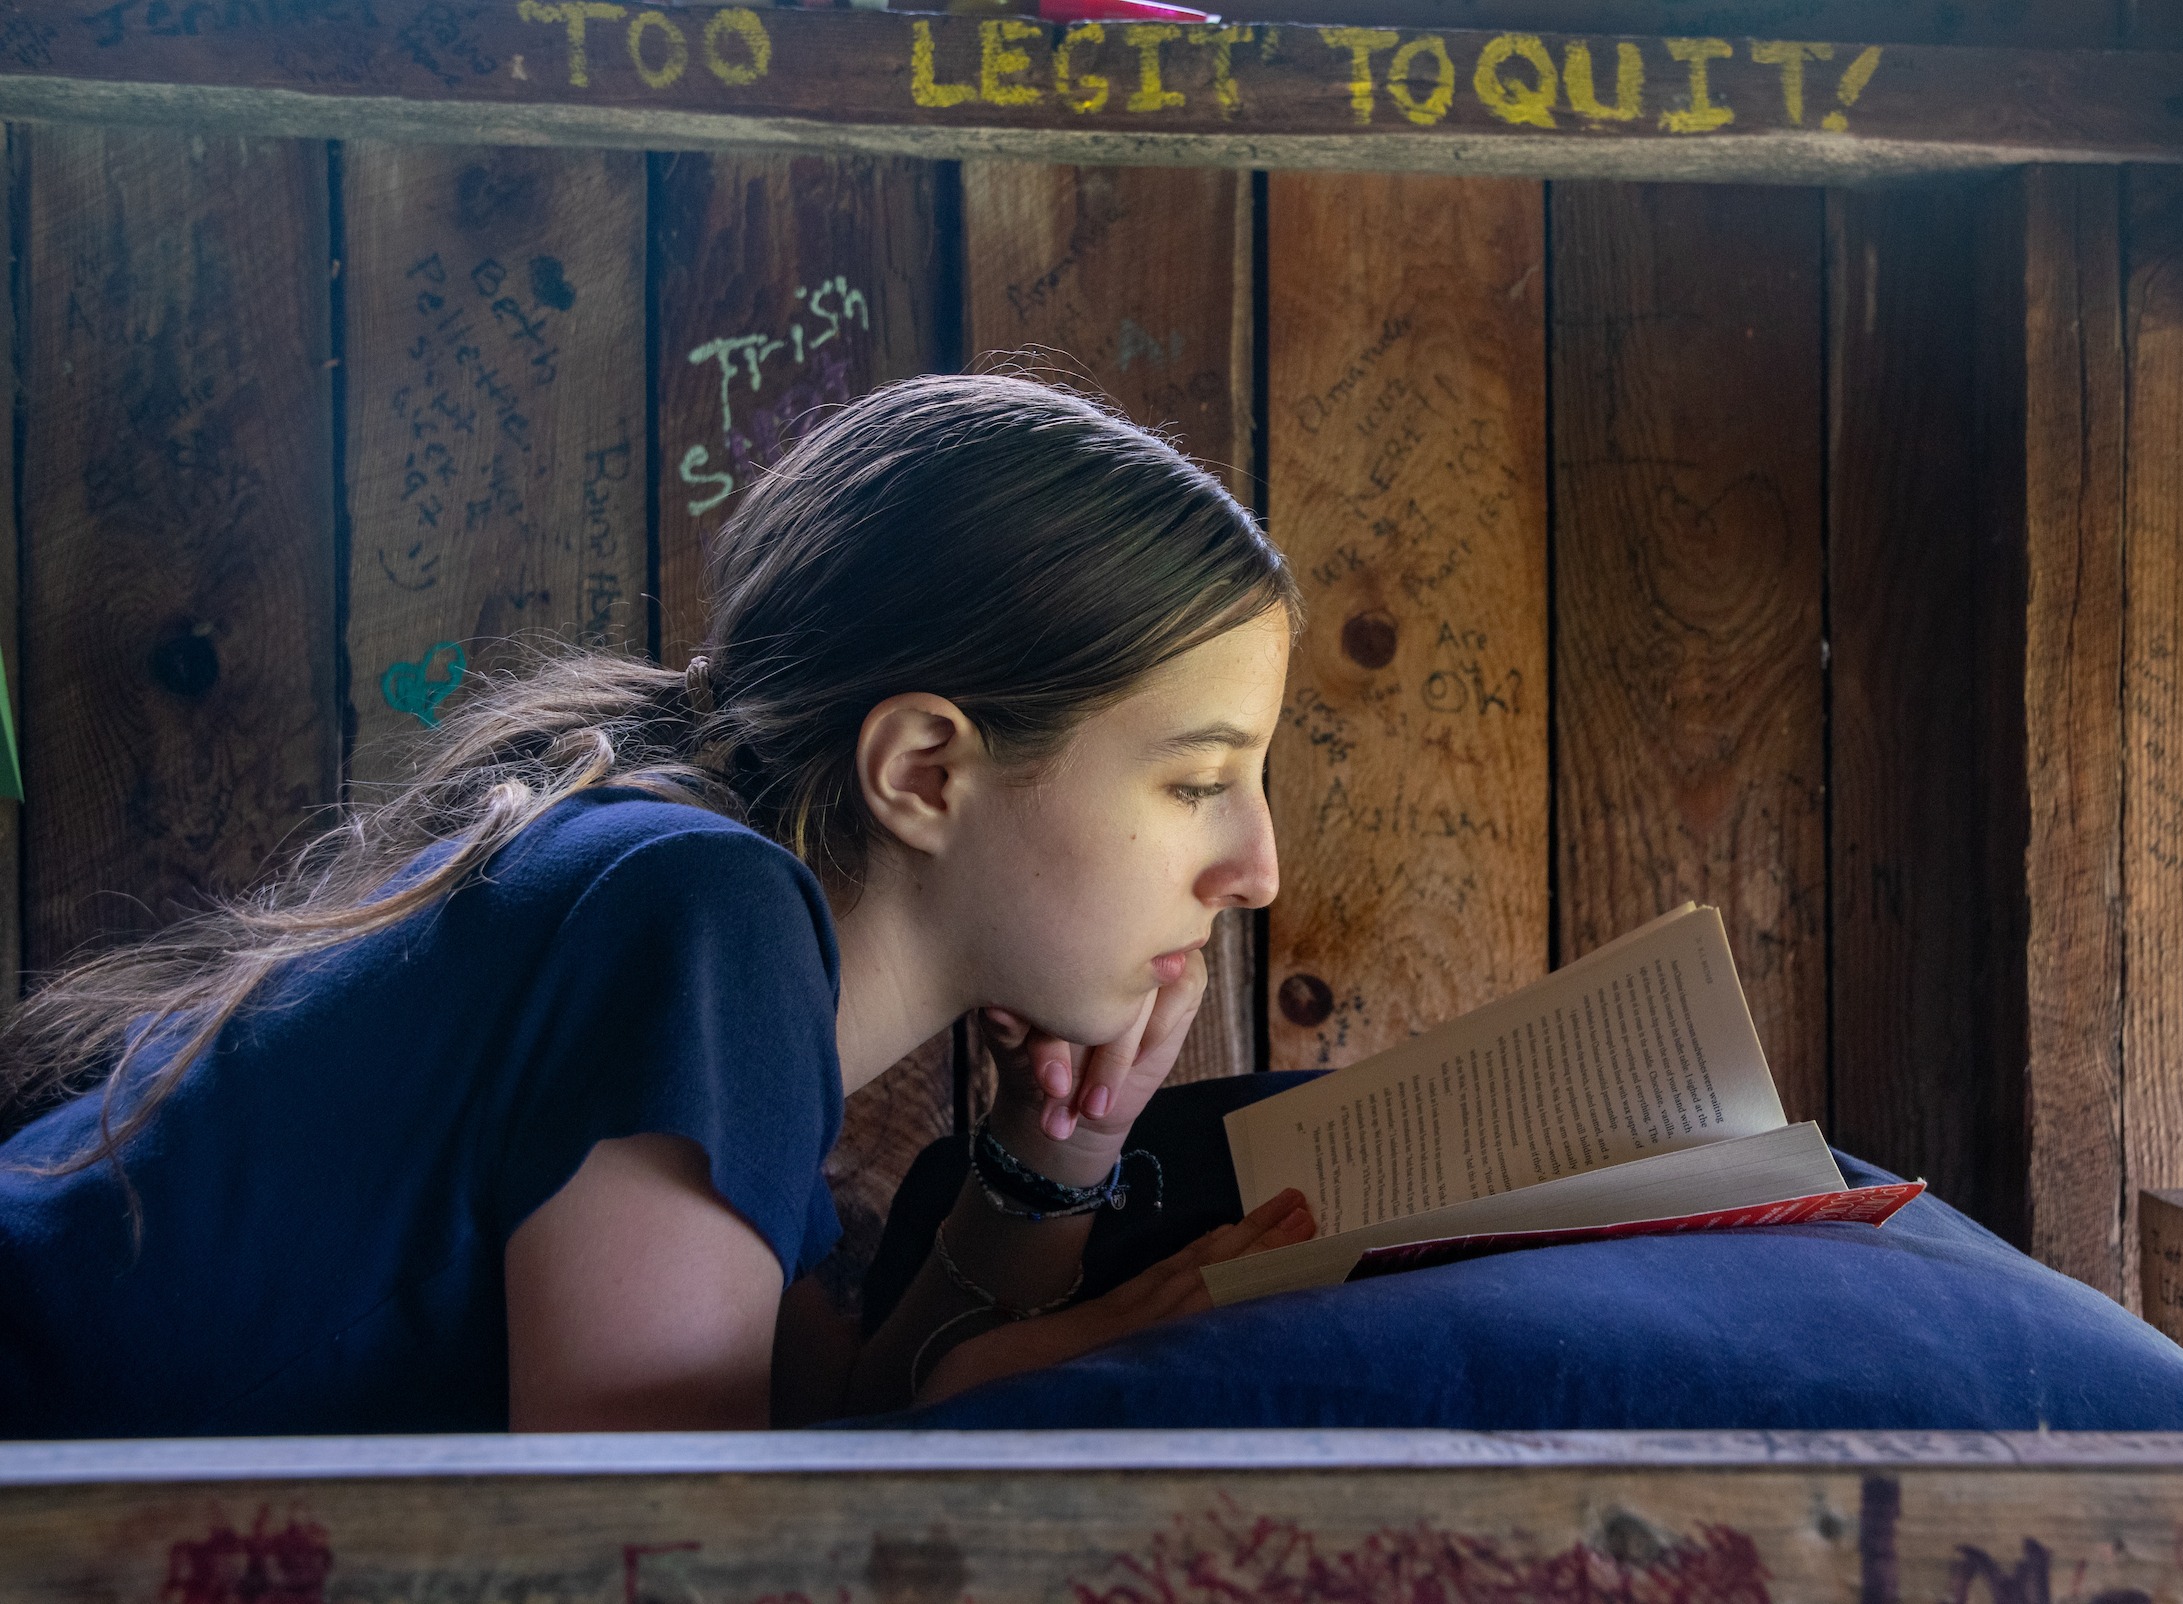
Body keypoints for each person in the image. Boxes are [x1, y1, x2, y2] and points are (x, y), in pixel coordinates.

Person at [0, 373, 1316, 1437]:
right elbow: (654, 1547)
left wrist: (1052, 1161)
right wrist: (1048, 1380)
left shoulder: (704, 915)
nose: (1254, 868)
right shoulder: (702, 913)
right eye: (1199, 779)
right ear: (925, 772)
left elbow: (814, 1420)